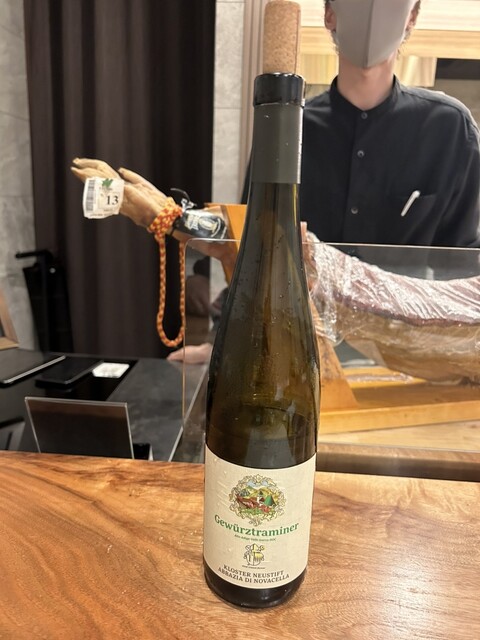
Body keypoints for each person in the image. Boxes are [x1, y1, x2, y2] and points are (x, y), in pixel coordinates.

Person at [300, 0, 480, 248]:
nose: (373, 11)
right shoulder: (288, 128)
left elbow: (463, 260)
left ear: (411, 17)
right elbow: (255, 240)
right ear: (329, 14)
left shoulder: (450, 131)